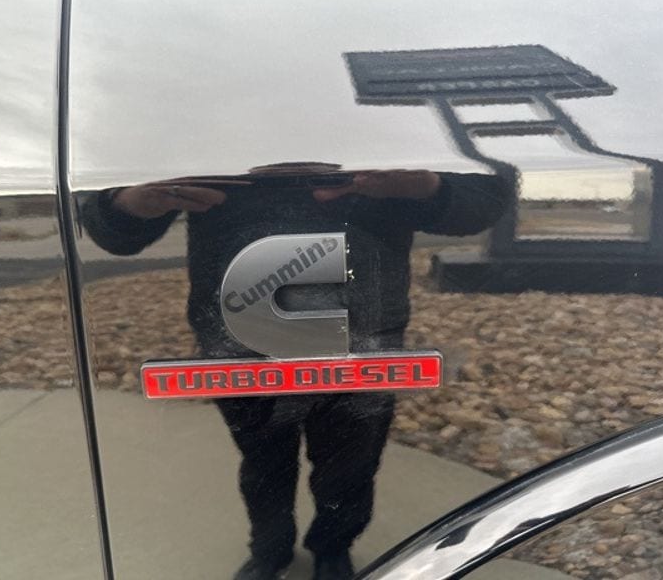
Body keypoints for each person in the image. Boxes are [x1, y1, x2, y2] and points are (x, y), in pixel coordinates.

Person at [82, 163, 508, 580]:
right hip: (241, 336)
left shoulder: (388, 134)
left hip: (360, 339)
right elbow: (111, 228)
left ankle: (332, 549)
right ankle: (270, 551)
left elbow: (485, 202)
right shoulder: (202, 131)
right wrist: (130, 201)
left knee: (351, 465)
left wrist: (427, 185)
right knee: (263, 462)